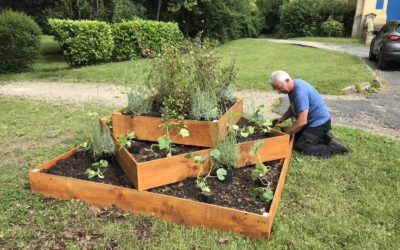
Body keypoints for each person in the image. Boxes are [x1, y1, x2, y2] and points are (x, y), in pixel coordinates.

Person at [270, 70, 351, 157]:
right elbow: (294, 106)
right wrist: (282, 118)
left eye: (280, 88)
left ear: (287, 80)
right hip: (313, 123)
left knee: (301, 146)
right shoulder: (295, 85)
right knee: (296, 138)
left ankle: (335, 147)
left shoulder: (300, 93)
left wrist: (287, 133)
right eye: (277, 89)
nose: (279, 92)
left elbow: (302, 121)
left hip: (319, 124)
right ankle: (324, 137)